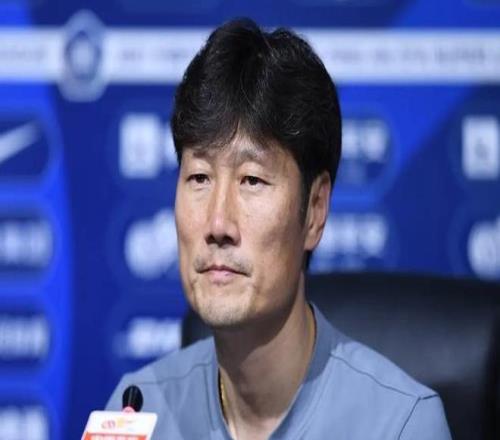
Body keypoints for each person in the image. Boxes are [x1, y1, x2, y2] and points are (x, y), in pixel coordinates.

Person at [106, 18, 452, 439]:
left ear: (315, 210)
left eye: (252, 180)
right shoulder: (136, 410)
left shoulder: (401, 425)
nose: (218, 224)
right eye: (199, 177)